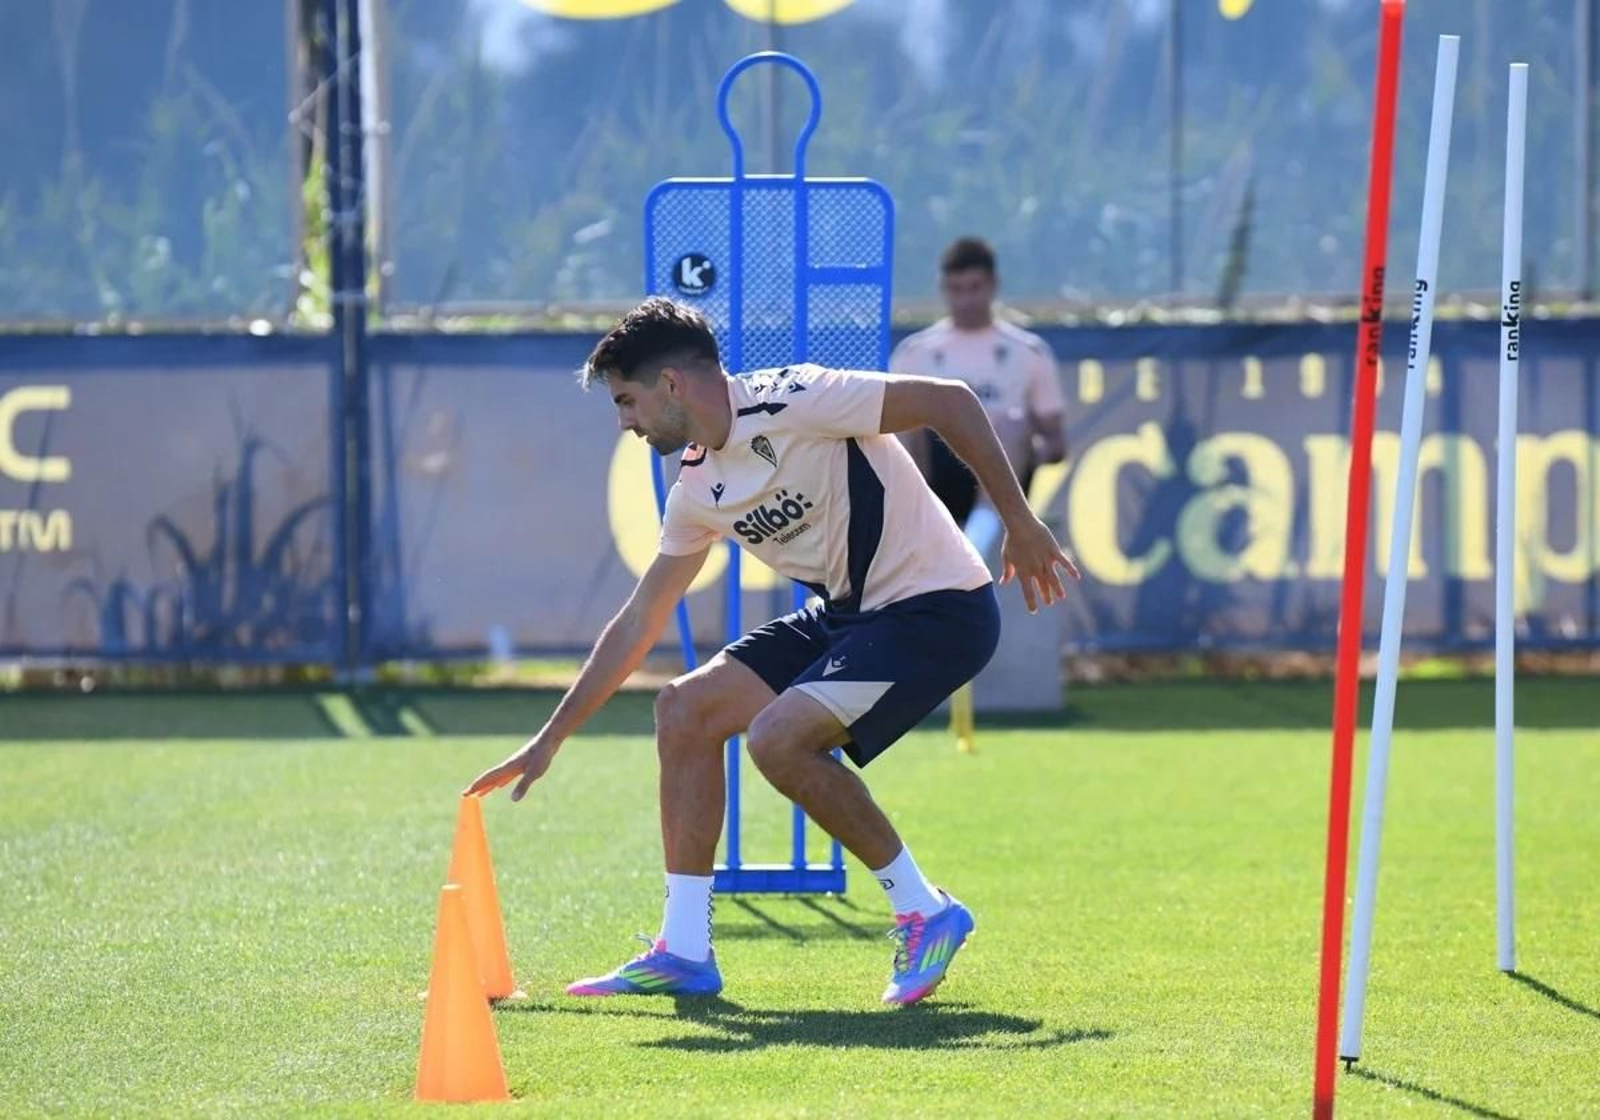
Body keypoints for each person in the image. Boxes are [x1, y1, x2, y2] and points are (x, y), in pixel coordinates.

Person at [465, 297, 1079, 1006]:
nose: (624, 422)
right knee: (684, 710)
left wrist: (1020, 522)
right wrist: (551, 738)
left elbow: (950, 401)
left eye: (627, 401)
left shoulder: (796, 398)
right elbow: (640, 619)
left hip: (938, 609)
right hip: (852, 616)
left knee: (777, 740)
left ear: (671, 384)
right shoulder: (695, 486)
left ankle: (926, 911)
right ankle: (685, 949)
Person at [889, 236, 1067, 527]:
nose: (966, 300)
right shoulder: (915, 352)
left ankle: (981, 535)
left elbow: (1056, 444)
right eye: (956, 289)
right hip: (934, 467)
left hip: (1001, 469)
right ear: (942, 288)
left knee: (1011, 423)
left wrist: (1026, 448)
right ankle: (917, 523)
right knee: (906, 424)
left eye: (975, 288)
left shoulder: (1029, 352)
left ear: (993, 284)